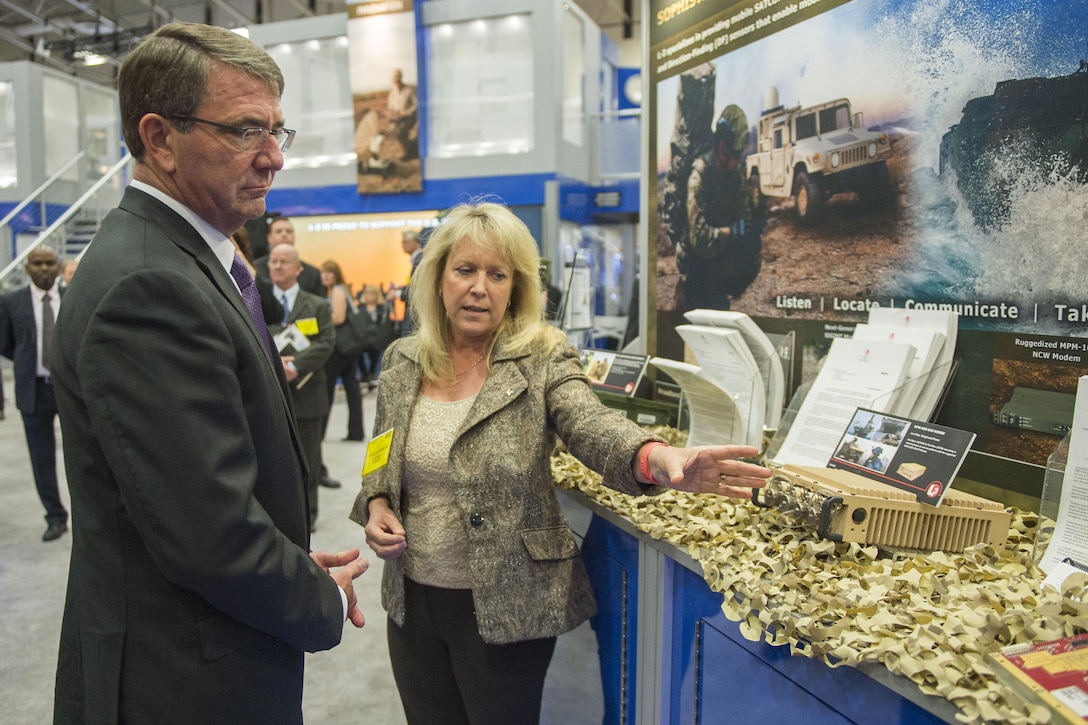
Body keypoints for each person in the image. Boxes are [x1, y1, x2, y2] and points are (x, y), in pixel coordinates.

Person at [49, 22, 368, 723]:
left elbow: (187, 492)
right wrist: (316, 601)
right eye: (247, 130)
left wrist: (288, 561)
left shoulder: (181, 259)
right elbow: (210, 535)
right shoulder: (150, 285)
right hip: (185, 679)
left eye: (280, 131)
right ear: (160, 138)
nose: (274, 158)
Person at [352, 200, 772, 725]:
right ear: (438, 279)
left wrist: (655, 456)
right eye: (465, 270)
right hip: (412, 601)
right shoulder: (401, 361)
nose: (479, 286)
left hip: (511, 603)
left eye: (496, 274)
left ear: (516, 288)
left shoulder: (543, 358)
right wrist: (377, 501)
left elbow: (590, 424)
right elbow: (382, 454)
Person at [0, 246, 69, 542]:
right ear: (27, 269)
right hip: (33, 390)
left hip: (69, 388)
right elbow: (5, 344)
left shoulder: (73, 296)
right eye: (36, 263)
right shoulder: (11, 302)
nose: (43, 268)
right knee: (41, 458)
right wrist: (30, 362)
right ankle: (55, 517)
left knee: (84, 455)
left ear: (58, 267)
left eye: (49, 263)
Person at [268, 243, 335, 532]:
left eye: (284, 261)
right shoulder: (254, 303)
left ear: (298, 269)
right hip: (271, 392)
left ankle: (308, 516)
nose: (278, 266)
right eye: (273, 261)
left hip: (308, 393)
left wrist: (295, 366)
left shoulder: (316, 305)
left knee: (308, 456)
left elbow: (326, 342)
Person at [676, 104, 765, 312]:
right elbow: (699, 239)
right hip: (697, 275)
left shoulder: (735, 176)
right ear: (722, 147)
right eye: (734, 154)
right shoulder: (699, 177)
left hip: (719, 271)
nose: (736, 161)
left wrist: (750, 228)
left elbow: (743, 213)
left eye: (739, 155)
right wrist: (731, 232)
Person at [320, 259, 364, 445]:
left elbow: (338, 317)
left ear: (336, 274)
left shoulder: (338, 290)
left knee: (326, 386)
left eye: (329, 272)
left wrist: (319, 318)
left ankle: (319, 432)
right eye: (323, 272)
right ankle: (356, 431)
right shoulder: (341, 290)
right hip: (348, 346)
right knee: (351, 387)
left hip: (339, 346)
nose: (326, 276)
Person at [253, 216, 324, 297]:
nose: (284, 234)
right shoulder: (256, 268)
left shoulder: (313, 274)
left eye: (289, 231)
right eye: (279, 231)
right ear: (269, 237)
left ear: (294, 237)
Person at [355, 284, 396, 388]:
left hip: (377, 337)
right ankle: (365, 374)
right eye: (368, 293)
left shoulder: (382, 308)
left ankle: (372, 374)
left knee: (376, 352)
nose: (370, 296)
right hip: (362, 337)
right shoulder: (360, 308)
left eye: (373, 293)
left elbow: (386, 322)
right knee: (356, 352)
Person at [386, 229, 422, 336]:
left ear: (415, 242)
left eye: (405, 242)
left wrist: (398, 293)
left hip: (416, 319)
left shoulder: (420, 260)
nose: (402, 245)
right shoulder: (418, 259)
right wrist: (401, 288)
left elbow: (419, 291)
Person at [386, 68, 419, 160]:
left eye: (398, 79)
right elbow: (390, 108)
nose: (396, 82)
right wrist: (391, 115)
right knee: (393, 129)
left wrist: (407, 112)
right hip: (397, 119)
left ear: (401, 78)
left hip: (410, 118)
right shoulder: (392, 93)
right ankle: (405, 149)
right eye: (394, 80)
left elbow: (416, 104)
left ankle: (407, 152)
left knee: (401, 130)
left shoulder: (410, 90)